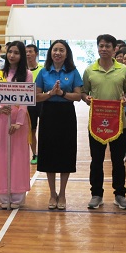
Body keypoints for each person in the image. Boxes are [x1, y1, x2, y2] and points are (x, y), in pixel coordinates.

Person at [81, 34, 126, 210]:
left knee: (118, 161)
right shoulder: (89, 70)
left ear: (114, 49)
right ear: (97, 47)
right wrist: (85, 97)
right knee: (97, 160)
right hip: (96, 124)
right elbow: (83, 92)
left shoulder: (123, 70)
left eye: (107, 46)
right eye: (101, 46)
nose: (104, 49)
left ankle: (120, 194)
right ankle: (96, 194)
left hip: (119, 123)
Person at [35, 39, 82, 210]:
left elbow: (78, 96)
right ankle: (52, 193)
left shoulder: (73, 71)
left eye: (62, 50)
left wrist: (61, 93)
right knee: (49, 153)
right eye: (55, 49)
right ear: (50, 52)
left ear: (67, 53)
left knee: (65, 153)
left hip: (66, 115)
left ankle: (62, 193)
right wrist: (50, 93)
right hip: (48, 114)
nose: (58, 53)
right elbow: (36, 96)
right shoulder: (43, 72)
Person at [0, 41, 32, 208]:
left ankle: (17, 195)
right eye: (10, 52)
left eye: (16, 52)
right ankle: (3, 195)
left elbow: (25, 101)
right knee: (1, 156)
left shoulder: (27, 75)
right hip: (1, 120)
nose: (12, 55)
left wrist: (19, 122)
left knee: (18, 157)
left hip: (18, 123)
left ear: (21, 56)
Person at [25, 43, 43, 164]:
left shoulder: (43, 69)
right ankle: (34, 154)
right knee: (31, 130)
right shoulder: (22, 71)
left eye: (31, 51)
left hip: (41, 103)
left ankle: (44, 153)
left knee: (45, 129)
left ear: (36, 54)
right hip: (27, 105)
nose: (28, 54)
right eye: (26, 52)